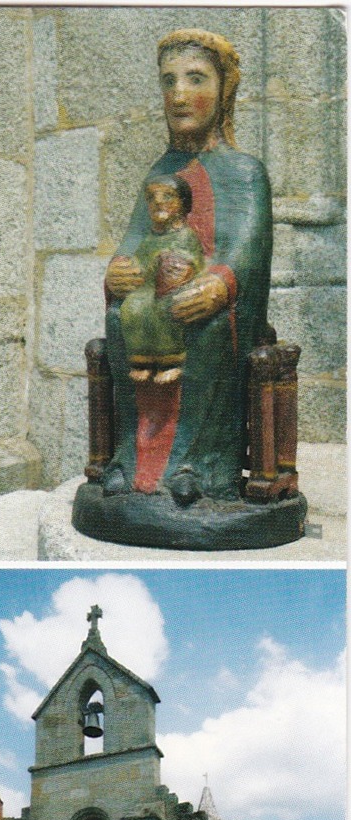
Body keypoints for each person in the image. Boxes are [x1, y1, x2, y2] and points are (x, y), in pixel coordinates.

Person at [100, 29, 271, 501]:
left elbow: (248, 249)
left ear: (224, 90)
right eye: (168, 81)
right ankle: (130, 461)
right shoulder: (160, 171)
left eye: (195, 79)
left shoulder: (245, 172)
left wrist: (219, 283)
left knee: (206, 325)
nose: (179, 94)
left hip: (216, 309)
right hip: (156, 303)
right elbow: (134, 241)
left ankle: (201, 466)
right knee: (119, 317)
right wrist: (119, 271)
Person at [119, 174, 204, 386]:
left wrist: (175, 265)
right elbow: (140, 261)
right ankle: (142, 360)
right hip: (148, 287)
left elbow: (192, 261)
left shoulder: (185, 236)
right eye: (152, 198)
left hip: (173, 287)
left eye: (167, 196)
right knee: (132, 307)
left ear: (183, 204)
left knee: (168, 308)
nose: (158, 201)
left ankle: (170, 361)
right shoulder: (149, 238)